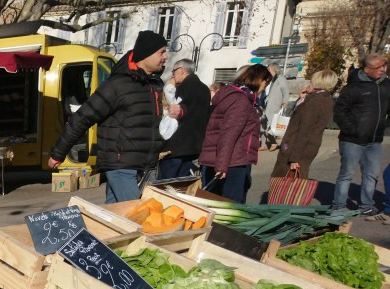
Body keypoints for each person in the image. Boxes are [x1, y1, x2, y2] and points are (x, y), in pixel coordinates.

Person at [47, 31, 182, 203]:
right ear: (146, 53)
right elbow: (82, 118)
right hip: (121, 164)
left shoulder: (154, 84)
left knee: (113, 217)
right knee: (136, 213)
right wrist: (59, 152)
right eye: (161, 52)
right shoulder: (116, 85)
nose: (166, 56)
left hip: (141, 164)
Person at [199, 65, 272, 203]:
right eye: (266, 82)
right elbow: (229, 134)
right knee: (230, 204)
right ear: (258, 79)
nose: (265, 86)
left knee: (216, 202)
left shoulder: (233, 95)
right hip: (232, 162)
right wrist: (221, 166)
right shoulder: (241, 100)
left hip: (225, 158)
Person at [332, 53, 390, 215]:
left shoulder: (386, 85)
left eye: (384, 67)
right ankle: (338, 207)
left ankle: (366, 206)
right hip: (352, 140)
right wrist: (353, 130)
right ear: (367, 69)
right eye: (379, 68)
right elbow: (339, 112)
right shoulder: (353, 87)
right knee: (346, 174)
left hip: (375, 140)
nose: (383, 70)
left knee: (371, 175)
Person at [270, 70, 338, 180]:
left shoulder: (314, 102)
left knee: (286, 183)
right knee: (294, 183)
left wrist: (294, 158)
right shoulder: (326, 99)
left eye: (311, 82)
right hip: (308, 147)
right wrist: (302, 99)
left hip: (295, 148)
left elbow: (304, 131)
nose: (308, 84)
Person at [159, 60, 211, 179]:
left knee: (166, 185)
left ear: (182, 71)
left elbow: (171, 109)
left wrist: (169, 87)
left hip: (175, 146)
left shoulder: (183, 87)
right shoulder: (204, 89)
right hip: (193, 145)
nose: (173, 74)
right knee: (181, 185)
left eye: (174, 71)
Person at [261, 62, 290, 150]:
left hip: (275, 104)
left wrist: (285, 101)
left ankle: (272, 143)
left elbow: (285, 89)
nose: (267, 70)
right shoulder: (271, 79)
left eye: (269, 69)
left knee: (269, 123)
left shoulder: (280, 78)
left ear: (274, 69)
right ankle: (264, 144)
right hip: (267, 104)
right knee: (263, 123)